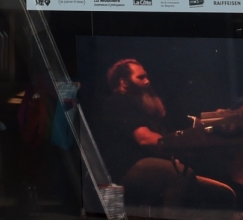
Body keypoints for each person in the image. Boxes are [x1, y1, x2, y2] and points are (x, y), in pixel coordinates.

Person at [97, 59, 234, 211]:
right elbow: (144, 138)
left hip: (156, 164)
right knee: (181, 175)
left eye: (146, 76)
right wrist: (180, 142)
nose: (147, 81)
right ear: (124, 82)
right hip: (127, 168)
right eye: (141, 77)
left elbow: (181, 129)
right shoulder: (117, 102)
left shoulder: (147, 110)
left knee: (224, 193)